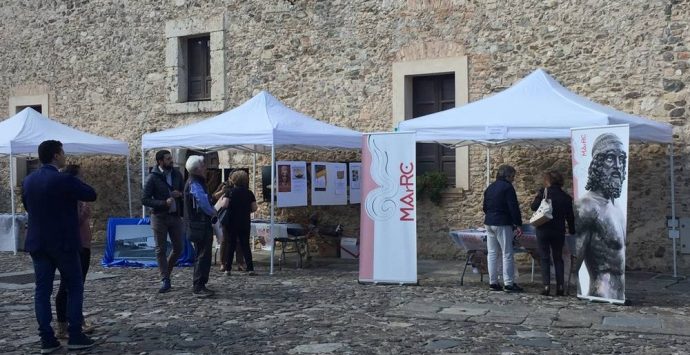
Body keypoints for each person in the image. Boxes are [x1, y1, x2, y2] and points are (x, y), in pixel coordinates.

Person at [22, 140, 97, 353]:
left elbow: (28, 206)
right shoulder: (63, 179)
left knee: (42, 290)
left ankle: (47, 338)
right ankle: (75, 334)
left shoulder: (28, 180)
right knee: (74, 287)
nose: (64, 156)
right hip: (63, 242)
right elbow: (91, 194)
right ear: (56, 155)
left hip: (38, 242)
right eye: (62, 153)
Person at [574, 133, 627, 300]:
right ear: (597, 164)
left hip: (620, 295)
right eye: (611, 158)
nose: (618, 165)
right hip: (601, 293)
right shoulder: (587, 206)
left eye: (622, 159)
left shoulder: (616, 207)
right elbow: (575, 264)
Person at [55, 165, 95, 338]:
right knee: (70, 285)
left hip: (82, 243)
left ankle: (73, 320)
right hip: (76, 244)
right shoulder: (71, 197)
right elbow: (73, 221)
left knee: (75, 285)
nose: (83, 179)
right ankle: (67, 324)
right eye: (81, 176)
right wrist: (85, 212)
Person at [141, 150, 185, 293]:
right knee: (160, 249)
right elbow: (145, 199)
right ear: (160, 161)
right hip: (159, 217)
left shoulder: (177, 174)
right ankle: (165, 278)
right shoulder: (152, 178)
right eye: (167, 159)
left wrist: (180, 194)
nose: (171, 161)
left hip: (175, 216)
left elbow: (184, 191)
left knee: (178, 248)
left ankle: (166, 272)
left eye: (171, 158)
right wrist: (163, 203)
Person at [530, 171, 575, 296]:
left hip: (543, 229)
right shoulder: (565, 197)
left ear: (548, 180)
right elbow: (570, 217)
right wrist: (572, 231)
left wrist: (539, 195)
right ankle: (560, 287)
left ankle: (546, 287)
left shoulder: (544, 193)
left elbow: (533, 207)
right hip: (558, 230)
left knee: (544, 257)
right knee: (558, 258)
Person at [184, 155, 224, 297]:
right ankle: (199, 286)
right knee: (202, 255)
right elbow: (203, 204)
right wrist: (214, 211)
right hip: (199, 225)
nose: (206, 168)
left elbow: (204, 200)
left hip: (198, 225)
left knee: (203, 254)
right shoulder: (195, 183)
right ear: (199, 168)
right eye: (204, 166)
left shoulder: (196, 182)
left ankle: (200, 284)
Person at [483, 164, 523, 293]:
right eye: (513, 177)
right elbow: (513, 207)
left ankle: (493, 282)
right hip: (502, 222)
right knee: (507, 253)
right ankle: (508, 283)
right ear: (508, 176)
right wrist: (518, 223)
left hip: (489, 222)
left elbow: (485, 207)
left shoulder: (490, 187)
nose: (513, 179)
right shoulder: (508, 187)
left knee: (492, 253)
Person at [224, 170, 258, 276]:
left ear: (234, 180)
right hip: (244, 222)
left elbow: (225, 205)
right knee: (245, 245)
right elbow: (254, 208)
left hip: (232, 222)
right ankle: (250, 268)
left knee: (231, 245)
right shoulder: (249, 193)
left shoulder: (229, 192)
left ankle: (228, 268)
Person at [212, 177, 246, 273]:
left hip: (238, 216)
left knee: (239, 241)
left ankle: (240, 263)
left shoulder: (241, 187)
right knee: (225, 240)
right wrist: (223, 192)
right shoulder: (224, 186)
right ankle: (223, 263)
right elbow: (214, 197)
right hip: (226, 217)